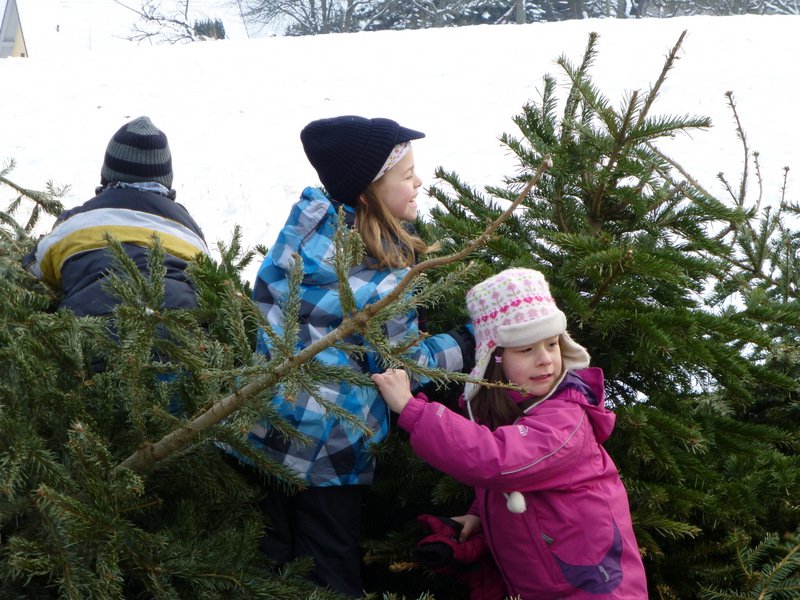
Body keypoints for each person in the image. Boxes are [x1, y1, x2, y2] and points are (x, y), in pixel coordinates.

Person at [246, 115, 475, 597]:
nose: (419, 181)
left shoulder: (298, 239)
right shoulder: (382, 275)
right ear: (370, 192)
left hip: (262, 428)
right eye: (407, 173)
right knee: (330, 569)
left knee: (268, 564)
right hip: (330, 447)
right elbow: (402, 367)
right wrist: (469, 342)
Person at [372, 267, 648, 599]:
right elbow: (524, 491)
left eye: (551, 344)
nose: (545, 359)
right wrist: (478, 518)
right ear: (496, 359)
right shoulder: (519, 414)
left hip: (597, 590)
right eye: (526, 350)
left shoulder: (565, 418)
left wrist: (411, 409)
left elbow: (499, 461)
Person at [26, 115, 209, 319]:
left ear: (107, 175)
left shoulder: (75, 223)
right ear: (166, 182)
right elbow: (211, 287)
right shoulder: (190, 233)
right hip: (180, 329)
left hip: (92, 328)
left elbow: (30, 274)